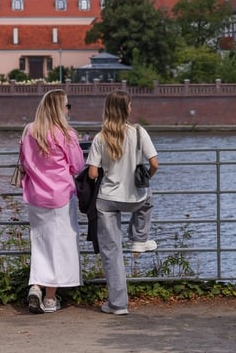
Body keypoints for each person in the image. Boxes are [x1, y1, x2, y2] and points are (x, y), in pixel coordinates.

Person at [86, 90, 159, 315]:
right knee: (147, 199)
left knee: (111, 252)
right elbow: (155, 164)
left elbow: (91, 173)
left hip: (107, 199)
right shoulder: (139, 132)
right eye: (130, 104)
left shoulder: (100, 137)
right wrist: (144, 178)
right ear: (127, 108)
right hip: (134, 198)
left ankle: (118, 305)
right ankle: (139, 238)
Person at [20, 89, 85, 314]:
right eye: (67, 106)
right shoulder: (66, 134)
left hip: (36, 195)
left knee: (40, 243)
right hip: (61, 196)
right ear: (60, 109)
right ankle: (49, 297)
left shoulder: (30, 131)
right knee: (60, 245)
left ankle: (36, 286)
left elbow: (24, 161)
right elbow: (77, 166)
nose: (68, 110)